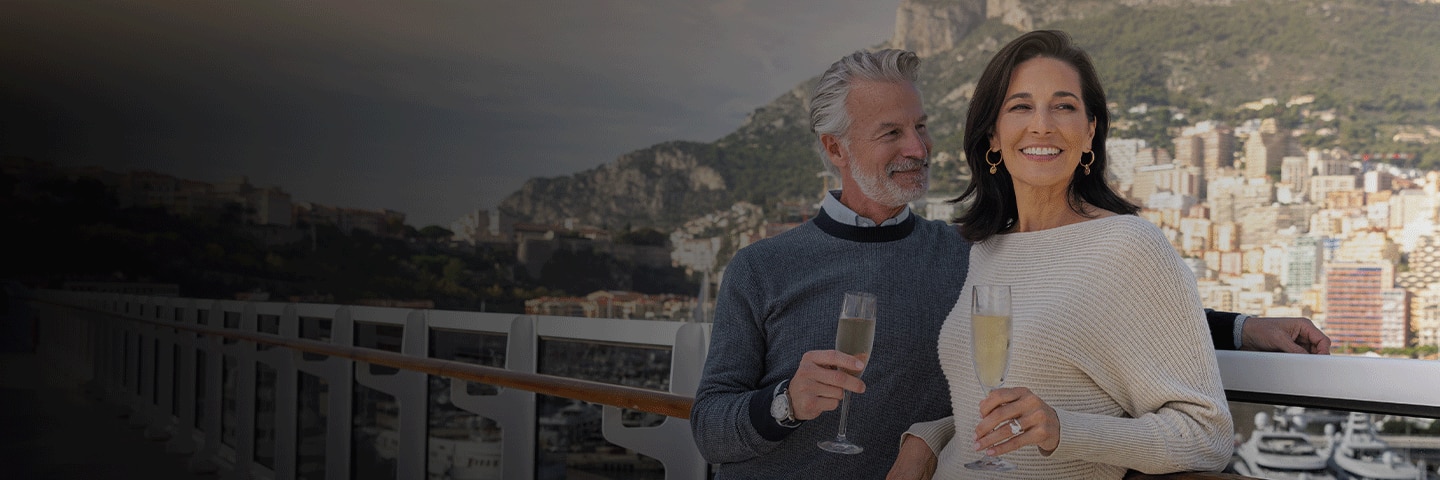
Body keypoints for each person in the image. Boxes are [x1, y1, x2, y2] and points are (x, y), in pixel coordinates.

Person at [690, 46, 1327, 480]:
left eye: (921, 127)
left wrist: (1241, 329)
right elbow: (710, 428)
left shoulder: (960, 252)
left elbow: (1091, 301)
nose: (918, 148)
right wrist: (785, 403)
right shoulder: (761, 269)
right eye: (891, 133)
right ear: (835, 147)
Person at [896, 30, 1232, 478]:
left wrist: (1061, 429)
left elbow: (1205, 436)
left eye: (1064, 106)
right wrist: (931, 437)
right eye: (1020, 106)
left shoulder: (1129, 246)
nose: (1042, 124)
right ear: (993, 136)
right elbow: (987, 398)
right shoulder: (988, 249)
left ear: (1090, 131)